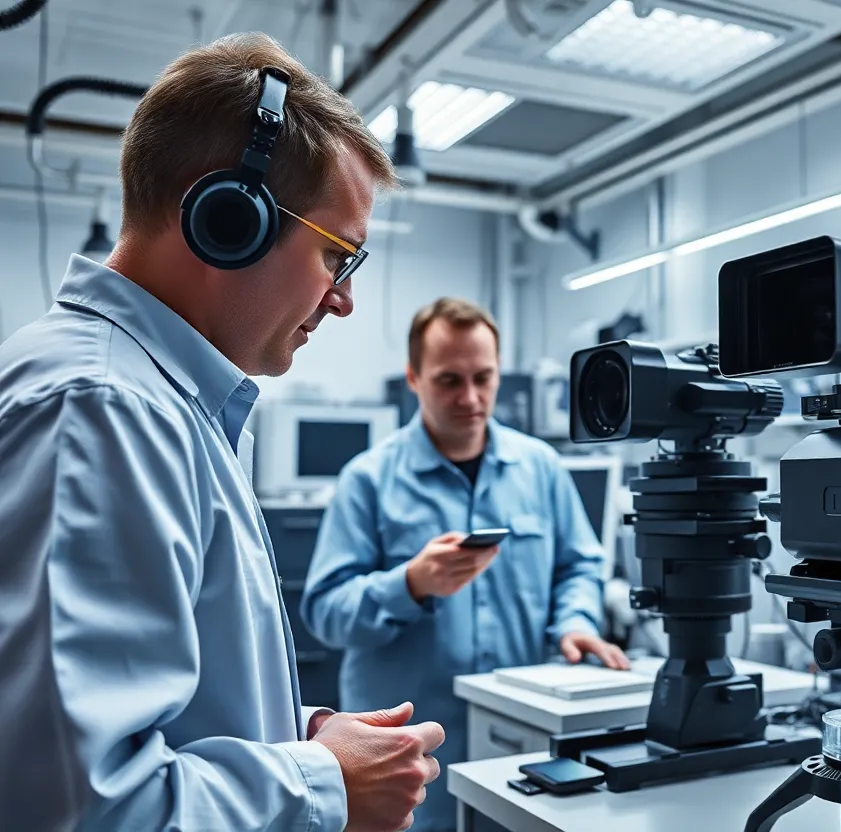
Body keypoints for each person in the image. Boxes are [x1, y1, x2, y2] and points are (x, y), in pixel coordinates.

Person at [0, 34, 445, 832]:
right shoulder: (103, 412)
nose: (342, 300)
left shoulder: (166, 406)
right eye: (337, 256)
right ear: (225, 219)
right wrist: (322, 783)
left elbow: (160, 705)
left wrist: (300, 734)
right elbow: (84, 808)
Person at [301, 297, 630, 831]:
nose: (471, 398)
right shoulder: (368, 479)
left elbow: (578, 566)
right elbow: (325, 612)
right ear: (413, 377)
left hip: (520, 740)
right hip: (408, 760)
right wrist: (410, 584)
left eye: (484, 377)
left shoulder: (541, 468)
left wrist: (576, 622)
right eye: (449, 380)